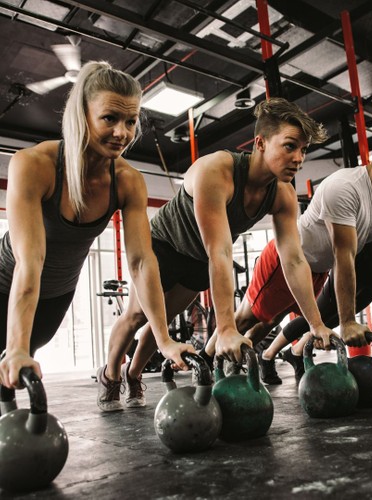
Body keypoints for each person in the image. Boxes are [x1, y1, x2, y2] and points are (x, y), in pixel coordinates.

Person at [102, 97, 333, 408]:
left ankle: (134, 375)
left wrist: (315, 323)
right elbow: (220, 251)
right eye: (290, 146)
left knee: (167, 318)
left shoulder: (283, 195)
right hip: (164, 246)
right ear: (260, 143)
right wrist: (224, 328)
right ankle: (111, 375)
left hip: (198, 261)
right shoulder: (217, 170)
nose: (299, 158)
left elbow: (293, 260)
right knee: (136, 316)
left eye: (303, 150)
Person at [0, 61, 194, 400]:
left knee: (13, 376)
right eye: (110, 118)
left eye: (131, 121)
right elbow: (30, 261)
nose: (122, 132)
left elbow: (141, 262)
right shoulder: (34, 165)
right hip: (8, 285)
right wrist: (15, 346)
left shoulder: (128, 181)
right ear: (82, 115)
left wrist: (163, 339)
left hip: (56, 296)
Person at [209, 120, 372, 384]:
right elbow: (344, 255)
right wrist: (347, 322)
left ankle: (231, 366)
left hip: (316, 271)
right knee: (247, 318)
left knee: (270, 321)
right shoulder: (346, 186)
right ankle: (207, 363)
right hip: (286, 259)